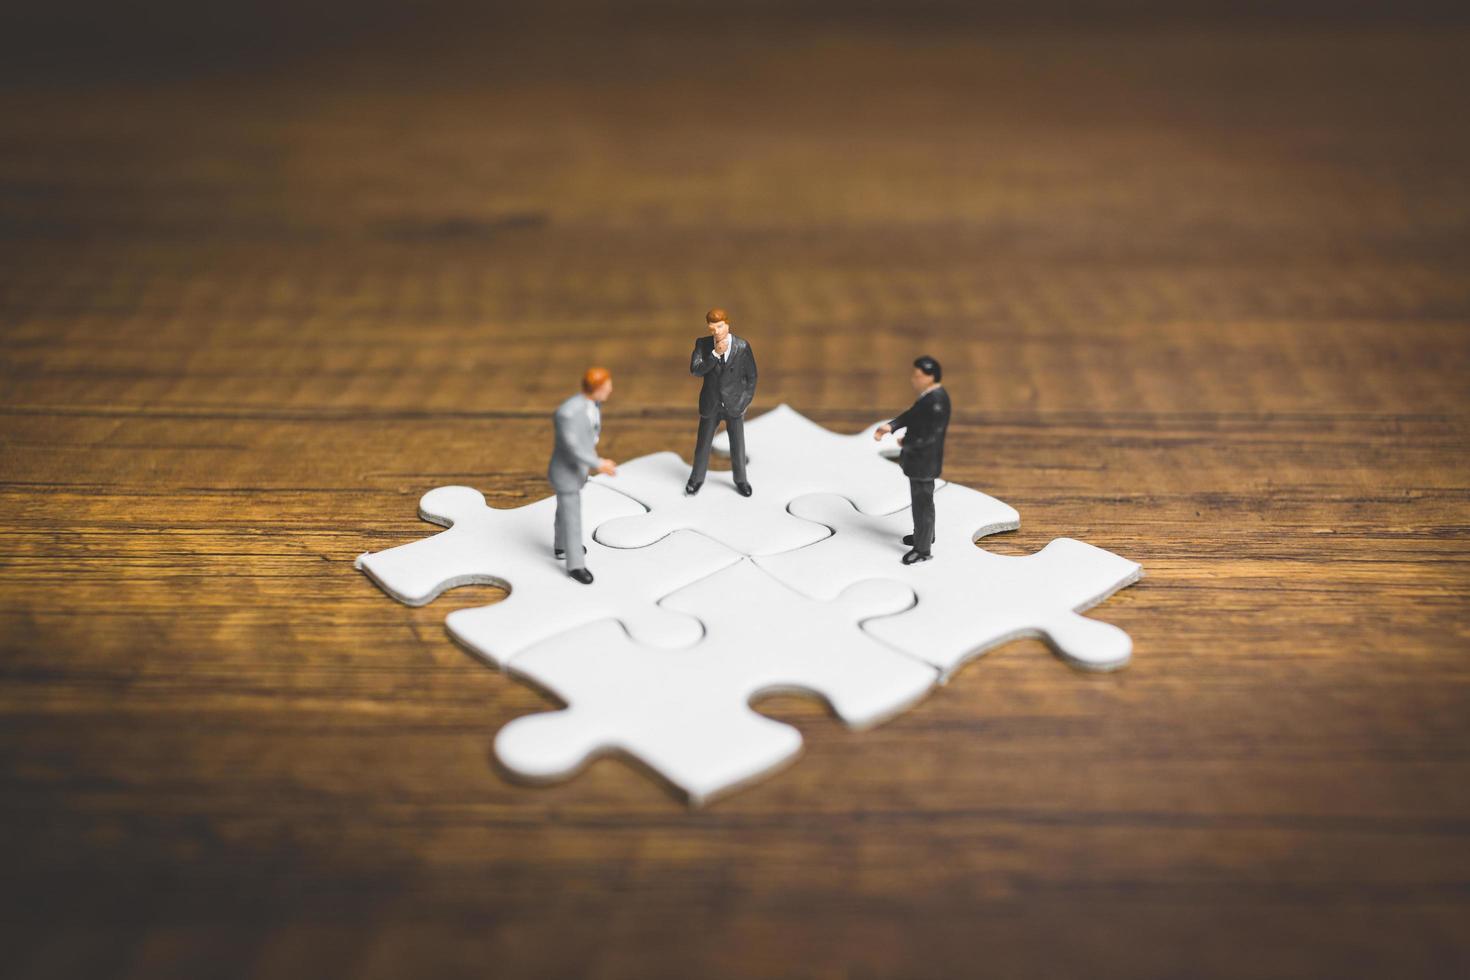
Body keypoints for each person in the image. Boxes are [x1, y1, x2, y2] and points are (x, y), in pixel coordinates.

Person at [874, 355, 950, 565]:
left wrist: (906, 442)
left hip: (925, 463)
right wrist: (890, 426)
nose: (913, 379)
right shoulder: (928, 397)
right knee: (922, 503)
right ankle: (924, 536)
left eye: (917, 376)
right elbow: (911, 415)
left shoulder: (937, 403)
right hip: (920, 462)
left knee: (922, 505)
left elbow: (929, 436)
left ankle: (923, 550)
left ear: (930, 377)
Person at [548, 367, 618, 584]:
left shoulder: (593, 405)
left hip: (577, 471)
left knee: (564, 512)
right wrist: (599, 463)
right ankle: (576, 565)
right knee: (572, 517)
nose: (610, 390)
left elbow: (589, 436)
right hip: (566, 472)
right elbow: (572, 448)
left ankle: (561, 546)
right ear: (596, 389)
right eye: (607, 387)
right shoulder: (567, 413)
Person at [686, 307, 757, 497]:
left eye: (719, 326)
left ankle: (741, 479)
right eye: (712, 328)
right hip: (711, 404)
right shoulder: (703, 345)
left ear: (727, 324)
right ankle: (696, 478)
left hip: (734, 404)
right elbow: (696, 370)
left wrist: (744, 401)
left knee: (737, 445)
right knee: (703, 444)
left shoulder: (741, 346)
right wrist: (714, 355)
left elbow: (751, 377)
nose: (716, 331)